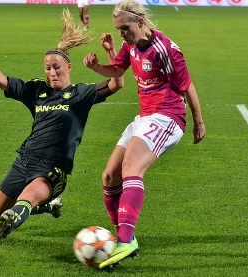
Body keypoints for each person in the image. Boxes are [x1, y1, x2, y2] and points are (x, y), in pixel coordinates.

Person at [0, 9, 124, 243]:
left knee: (27, 199)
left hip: (52, 169)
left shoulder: (81, 94)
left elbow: (117, 83)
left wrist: (111, 52)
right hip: (25, 160)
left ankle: (11, 223)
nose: (52, 72)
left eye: (57, 67)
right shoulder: (37, 91)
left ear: (69, 67)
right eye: (48, 68)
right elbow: (2, 81)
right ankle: (47, 207)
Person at [83, 0, 206, 269]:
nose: (122, 34)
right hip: (145, 117)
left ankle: (125, 241)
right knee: (109, 175)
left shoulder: (166, 50)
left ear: (140, 21)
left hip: (168, 117)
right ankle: (126, 239)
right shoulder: (130, 45)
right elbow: (117, 71)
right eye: (118, 30)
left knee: (131, 167)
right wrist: (95, 66)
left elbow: (187, 85)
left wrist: (198, 121)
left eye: (125, 28)